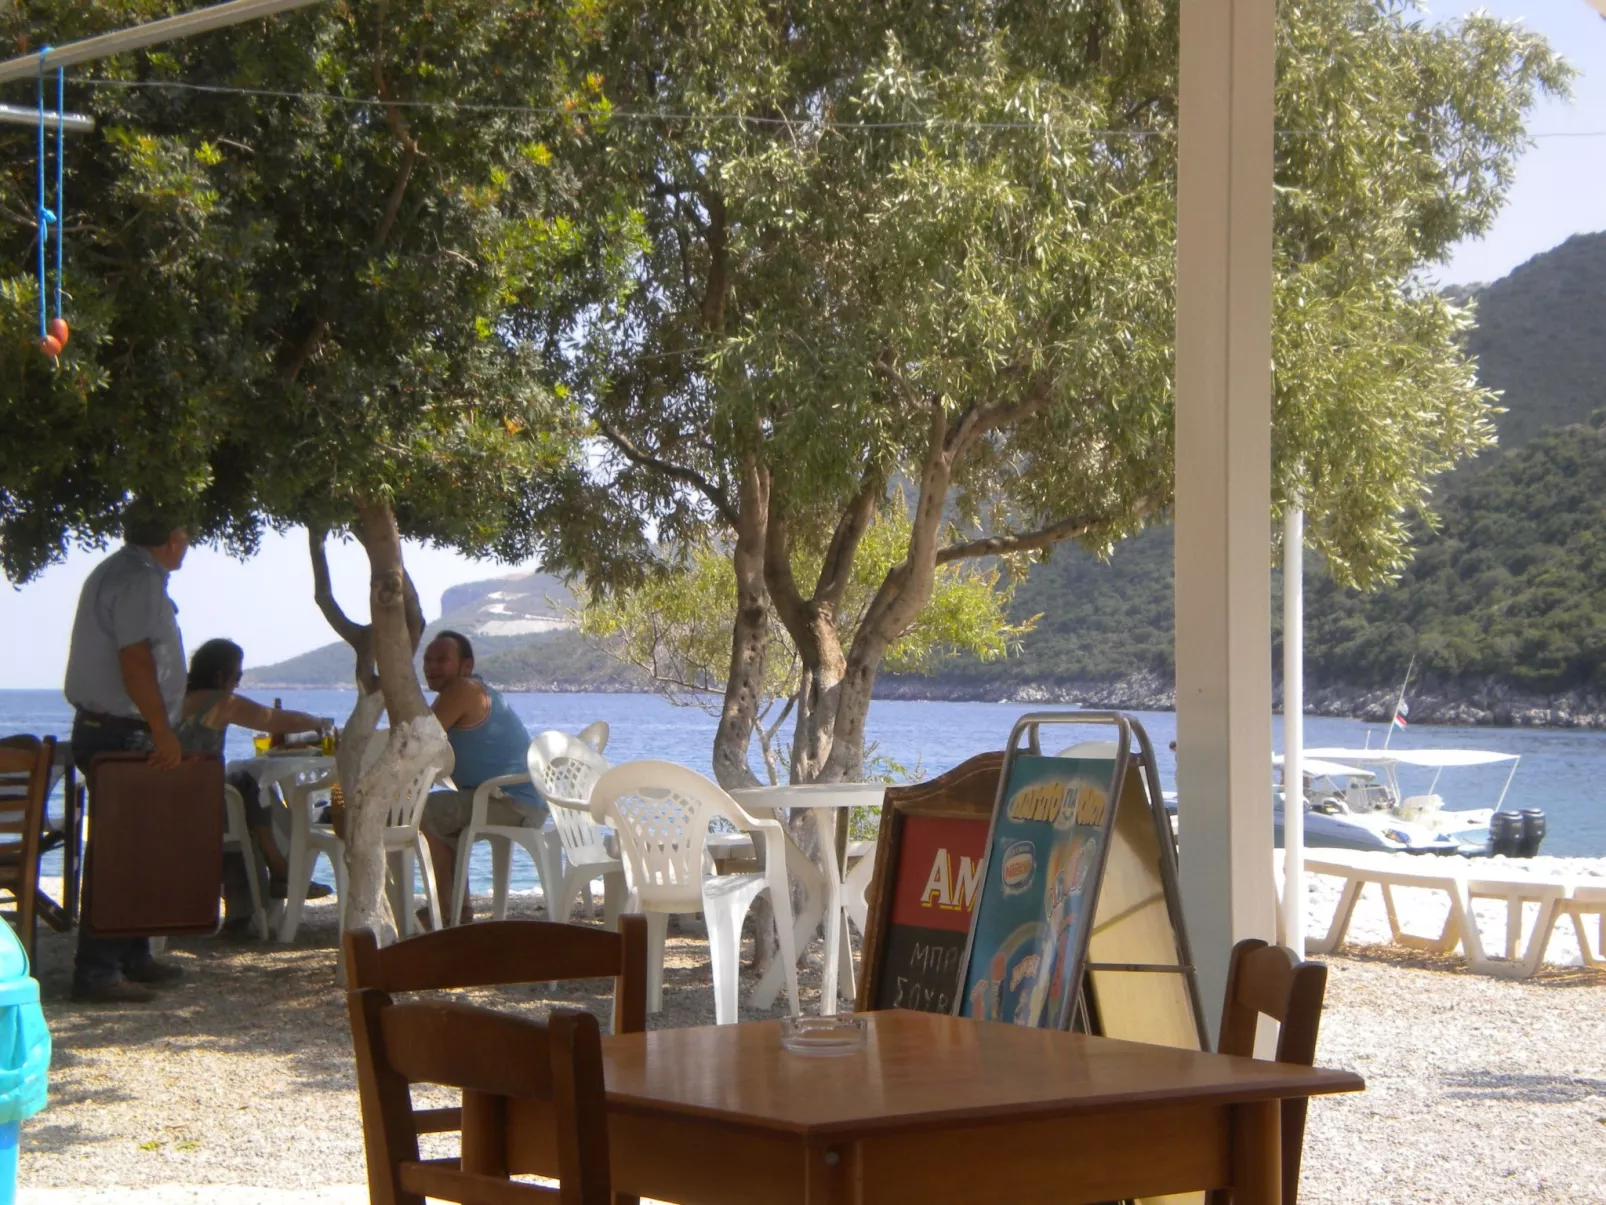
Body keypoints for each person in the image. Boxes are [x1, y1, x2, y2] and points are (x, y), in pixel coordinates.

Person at [62, 499, 191, 1003]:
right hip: (123, 730)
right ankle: (97, 971)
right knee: (121, 851)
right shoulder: (139, 580)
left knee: (138, 847)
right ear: (174, 538)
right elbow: (135, 659)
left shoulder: (119, 572)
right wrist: (162, 729)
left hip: (109, 726)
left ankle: (132, 955)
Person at [174, 639, 336, 926]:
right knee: (249, 787)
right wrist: (320, 723)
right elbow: (274, 719)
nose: (237, 683)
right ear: (219, 675)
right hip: (199, 806)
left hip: (172, 799)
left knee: (244, 791)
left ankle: (266, 889)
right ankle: (281, 873)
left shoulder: (176, 699)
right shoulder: (220, 702)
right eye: (236, 676)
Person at [419, 631, 545, 925]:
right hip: (519, 802)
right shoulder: (472, 691)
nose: (432, 667)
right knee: (437, 814)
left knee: (417, 812)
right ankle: (456, 911)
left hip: (512, 803)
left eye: (442, 660)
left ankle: (446, 910)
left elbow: (418, 741)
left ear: (465, 666)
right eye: (427, 660)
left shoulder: (464, 690)